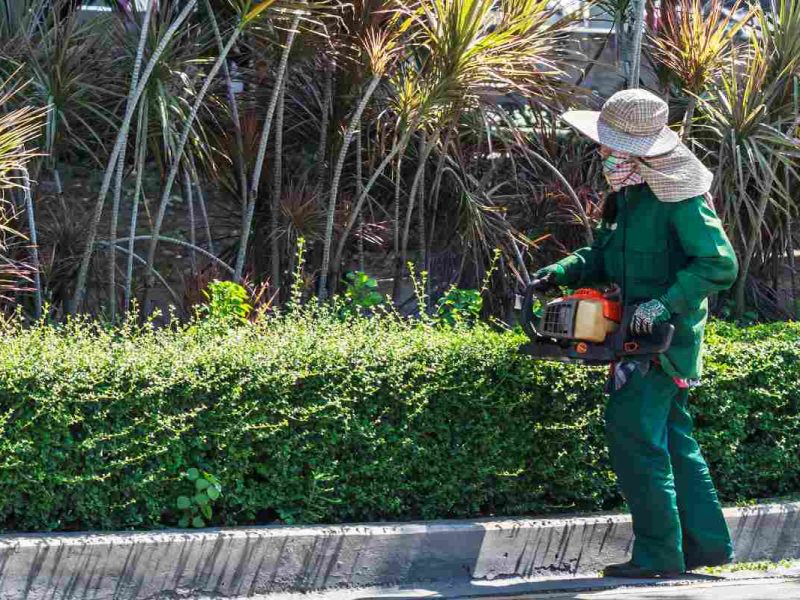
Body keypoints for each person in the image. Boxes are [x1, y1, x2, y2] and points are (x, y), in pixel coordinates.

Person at [534, 89, 738, 578]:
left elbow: (719, 263)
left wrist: (664, 304)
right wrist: (558, 272)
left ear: (635, 151)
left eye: (608, 146)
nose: (602, 153)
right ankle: (705, 547)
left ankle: (658, 556)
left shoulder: (680, 201)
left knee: (636, 441)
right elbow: (604, 256)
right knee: (672, 440)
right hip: (636, 334)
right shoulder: (631, 195)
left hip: (659, 343)